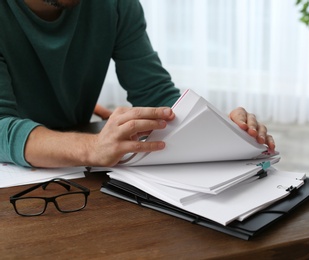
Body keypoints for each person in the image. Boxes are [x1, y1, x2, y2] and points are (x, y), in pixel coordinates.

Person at [0, 0, 275, 168]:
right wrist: (91, 148)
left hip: (79, 171)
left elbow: (156, 93)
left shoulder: (115, 4)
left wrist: (220, 128)